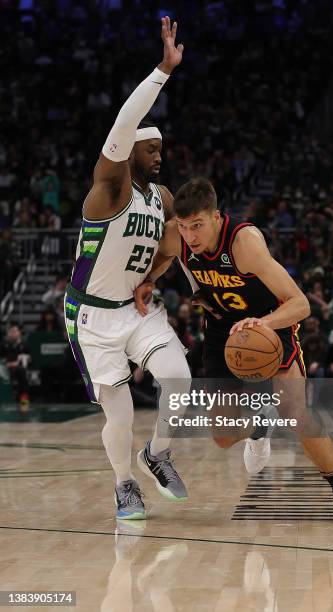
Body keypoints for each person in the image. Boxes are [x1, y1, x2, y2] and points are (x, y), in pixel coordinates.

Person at [135, 177, 333, 524]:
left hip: (270, 323)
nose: (190, 236)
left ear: (216, 217)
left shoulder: (244, 242)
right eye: (184, 227)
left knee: (295, 410)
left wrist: (262, 325)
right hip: (220, 331)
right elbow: (166, 256)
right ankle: (260, 427)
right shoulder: (177, 235)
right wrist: (151, 279)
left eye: (197, 225)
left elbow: (300, 304)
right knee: (224, 435)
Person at [64, 17, 191, 521]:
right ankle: (124, 484)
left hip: (136, 308)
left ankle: (157, 454)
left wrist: (154, 281)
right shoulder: (108, 187)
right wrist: (163, 69)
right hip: (92, 316)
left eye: (161, 148)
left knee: (178, 379)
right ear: (129, 152)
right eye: (150, 148)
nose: (159, 155)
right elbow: (122, 122)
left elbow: (170, 249)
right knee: (119, 412)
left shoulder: (160, 197)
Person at [0, 325, 30, 409]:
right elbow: (2, 357)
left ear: (19, 333)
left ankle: (24, 398)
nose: (13, 333)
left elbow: (28, 358)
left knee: (21, 371)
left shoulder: (24, 344)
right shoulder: (4, 344)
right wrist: (6, 363)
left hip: (19, 367)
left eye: (15, 331)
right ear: (8, 334)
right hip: (4, 367)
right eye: (11, 331)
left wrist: (16, 363)